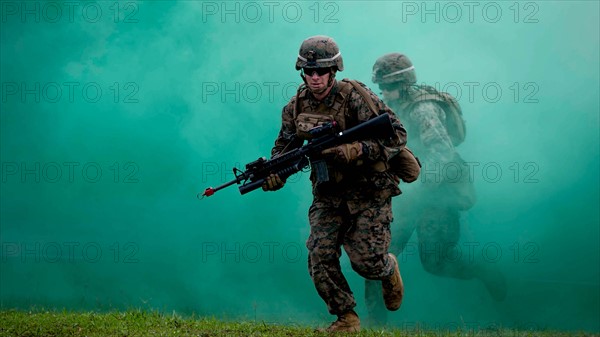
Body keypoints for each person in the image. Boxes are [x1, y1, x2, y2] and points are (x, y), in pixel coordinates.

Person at [262, 36, 407, 332]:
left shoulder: (355, 97)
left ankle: (388, 268)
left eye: (322, 71)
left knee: (366, 262)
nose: (315, 77)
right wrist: (275, 173)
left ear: (334, 70)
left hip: (370, 189)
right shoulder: (296, 106)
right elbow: (284, 148)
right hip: (329, 191)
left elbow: (396, 136)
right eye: (309, 71)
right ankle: (346, 318)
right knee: (319, 253)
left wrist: (353, 150)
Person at [365, 53, 506, 325]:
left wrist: (414, 190)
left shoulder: (423, 110)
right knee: (378, 255)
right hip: (407, 192)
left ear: (405, 84)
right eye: (382, 88)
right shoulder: (391, 107)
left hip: (435, 196)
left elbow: (443, 155)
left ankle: (484, 271)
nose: (386, 94)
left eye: (390, 87)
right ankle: (374, 322)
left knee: (436, 262)